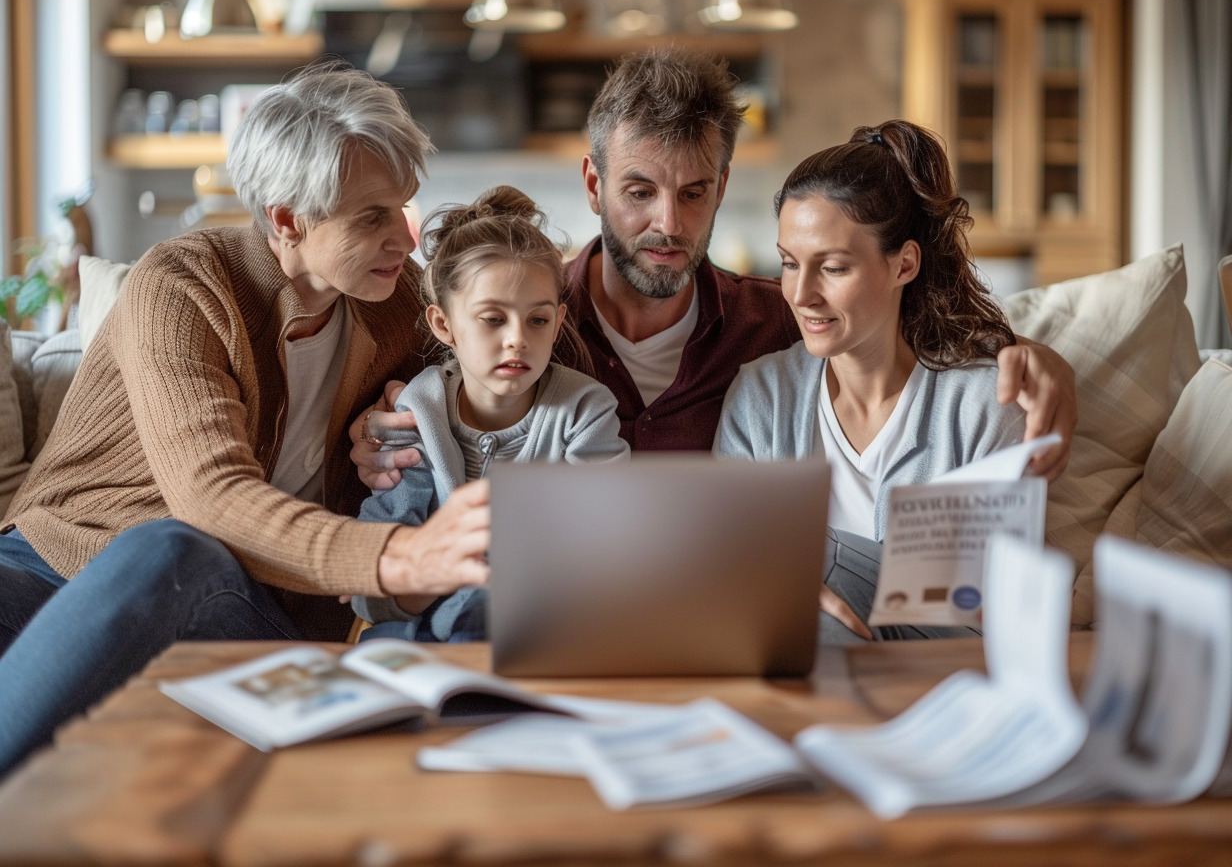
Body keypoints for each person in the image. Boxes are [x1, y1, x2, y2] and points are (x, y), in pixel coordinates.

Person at [0, 64, 489, 777]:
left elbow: (513, 349)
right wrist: (401, 557)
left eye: (403, 209)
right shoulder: (183, 285)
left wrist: (410, 415)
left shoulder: (398, 305)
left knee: (171, 550)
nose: (404, 241)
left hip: (208, 586)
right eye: (372, 216)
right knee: (162, 546)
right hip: (49, 565)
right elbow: (214, 495)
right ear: (288, 219)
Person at [354, 49, 1076, 484]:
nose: (668, 224)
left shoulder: (780, 321)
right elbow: (409, 406)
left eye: (693, 193)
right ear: (594, 185)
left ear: (722, 189)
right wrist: (377, 439)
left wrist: (1041, 360)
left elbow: (915, 332)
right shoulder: (524, 319)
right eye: (639, 192)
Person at [714, 120, 1029, 643]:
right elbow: (725, 569)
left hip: (934, 682)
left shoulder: (981, 405)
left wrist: (804, 574)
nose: (801, 294)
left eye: (833, 268)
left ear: (904, 264)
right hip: (786, 668)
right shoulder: (760, 397)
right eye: (790, 264)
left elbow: (989, 613)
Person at [352, 186, 628, 643]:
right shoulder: (415, 416)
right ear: (444, 325)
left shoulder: (586, 414)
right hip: (424, 651)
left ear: (558, 322)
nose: (517, 339)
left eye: (537, 320)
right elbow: (373, 586)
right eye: (493, 319)